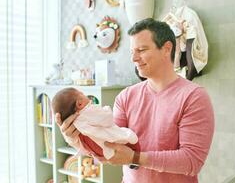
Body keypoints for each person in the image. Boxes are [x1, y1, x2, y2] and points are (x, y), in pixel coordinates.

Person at [56, 18, 214, 183]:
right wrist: (76, 140)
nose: (134, 59)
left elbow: (191, 161)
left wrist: (136, 157)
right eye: (132, 52)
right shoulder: (125, 97)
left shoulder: (194, 97)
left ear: (167, 49)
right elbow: (109, 150)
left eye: (142, 50)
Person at [52, 87, 139, 159]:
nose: (87, 97)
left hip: (96, 150)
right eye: (83, 95)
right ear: (80, 103)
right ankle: (136, 152)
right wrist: (106, 109)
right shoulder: (88, 111)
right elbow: (107, 119)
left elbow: (83, 144)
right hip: (108, 146)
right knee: (130, 136)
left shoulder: (74, 123)